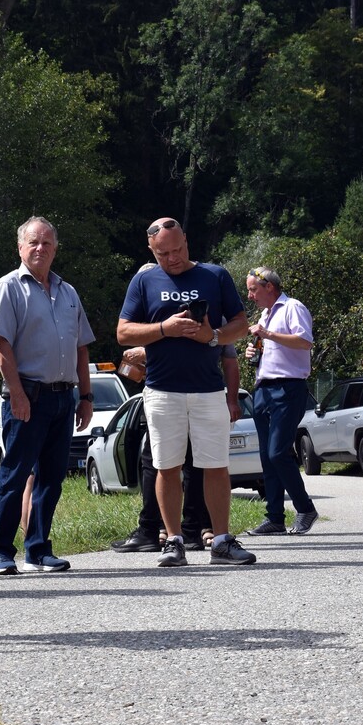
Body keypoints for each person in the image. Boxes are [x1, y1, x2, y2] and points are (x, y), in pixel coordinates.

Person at [117, 217, 254, 567]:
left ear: (187, 242)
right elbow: (123, 333)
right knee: (167, 466)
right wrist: (165, 328)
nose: (172, 258)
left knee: (216, 465)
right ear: (151, 249)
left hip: (209, 389)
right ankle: (174, 541)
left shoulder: (215, 275)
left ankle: (221, 540)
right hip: (162, 389)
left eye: (178, 249)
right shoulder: (145, 279)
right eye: (163, 253)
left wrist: (212, 336)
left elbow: (240, 324)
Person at [0, 217, 94, 574]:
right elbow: (1, 344)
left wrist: (87, 396)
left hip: (64, 398)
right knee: (14, 476)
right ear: (20, 247)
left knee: (52, 477)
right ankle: (0, 551)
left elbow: (81, 347)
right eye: (33, 242)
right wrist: (16, 394)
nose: (40, 248)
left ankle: (38, 548)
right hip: (27, 396)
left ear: (55, 249)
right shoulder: (8, 288)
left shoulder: (68, 292)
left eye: (47, 243)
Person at [109, 343, 240, 553]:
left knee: (162, 463)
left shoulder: (210, 314)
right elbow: (126, 332)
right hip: (172, 392)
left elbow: (218, 350)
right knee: (180, 464)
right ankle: (185, 530)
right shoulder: (209, 313)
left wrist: (145, 351)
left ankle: (158, 530)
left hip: (181, 392)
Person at [244, 266, 319, 536]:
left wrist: (267, 335)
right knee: (267, 456)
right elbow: (270, 350)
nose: (250, 296)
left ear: (270, 287)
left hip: (288, 388)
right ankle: (274, 517)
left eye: (253, 289)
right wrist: (253, 351)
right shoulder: (265, 314)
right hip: (263, 388)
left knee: (278, 452)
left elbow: (304, 342)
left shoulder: (292, 307)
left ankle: (305, 508)